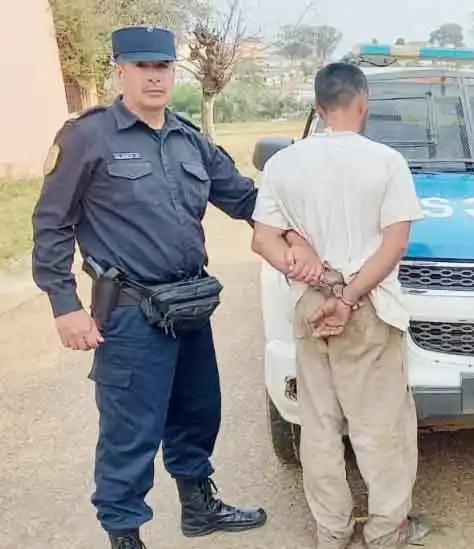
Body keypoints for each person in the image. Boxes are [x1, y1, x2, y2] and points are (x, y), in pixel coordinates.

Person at [30, 26, 321, 549]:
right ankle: (124, 534)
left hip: (188, 305)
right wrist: (64, 305)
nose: (154, 77)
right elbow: (52, 223)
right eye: (142, 67)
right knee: (130, 430)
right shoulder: (88, 137)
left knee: (197, 411)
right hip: (130, 313)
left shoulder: (189, 138)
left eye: (162, 66)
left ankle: (198, 507)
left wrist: (293, 232)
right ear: (120, 71)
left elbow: (243, 198)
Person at [249, 62, 428, 549]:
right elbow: (394, 245)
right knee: (380, 426)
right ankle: (386, 529)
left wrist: (309, 274)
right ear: (363, 103)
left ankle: (331, 530)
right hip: (367, 306)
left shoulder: (284, 164)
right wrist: (347, 297)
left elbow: (263, 240)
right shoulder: (386, 162)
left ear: (318, 107)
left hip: (311, 307)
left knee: (320, 425)